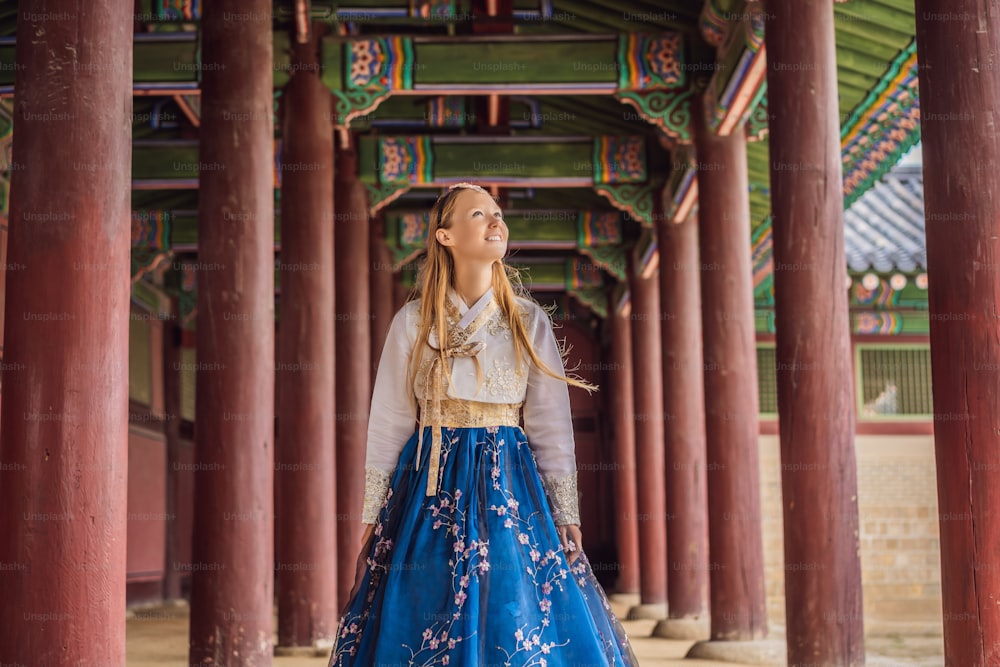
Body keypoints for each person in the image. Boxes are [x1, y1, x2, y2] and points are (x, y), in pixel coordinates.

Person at [329, 183, 638, 666]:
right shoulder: (413, 321)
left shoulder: (527, 320)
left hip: (508, 478)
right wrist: (372, 513)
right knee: (426, 593)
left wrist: (565, 512)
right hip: (428, 480)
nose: (496, 221)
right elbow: (389, 421)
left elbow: (550, 427)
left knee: (513, 597)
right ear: (446, 236)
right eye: (478, 214)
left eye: (497, 213)